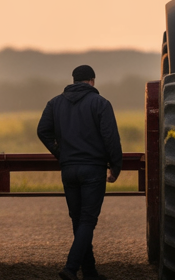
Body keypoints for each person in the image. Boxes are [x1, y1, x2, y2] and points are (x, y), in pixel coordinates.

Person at [37, 65, 122, 280]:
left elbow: (42, 131)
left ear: (74, 80)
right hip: (93, 170)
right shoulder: (101, 104)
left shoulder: (55, 103)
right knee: (87, 221)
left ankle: (90, 272)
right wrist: (116, 166)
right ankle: (71, 268)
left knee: (78, 220)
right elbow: (111, 137)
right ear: (92, 81)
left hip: (68, 169)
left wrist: (60, 152)